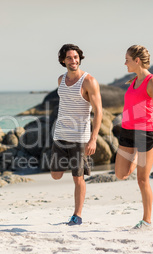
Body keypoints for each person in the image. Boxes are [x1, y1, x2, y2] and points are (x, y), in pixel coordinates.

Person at [115, 45, 153, 229]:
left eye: (127, 59)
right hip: (127, 131)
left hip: (145, 134)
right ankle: (136, 158)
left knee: (142, 179)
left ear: (137, 60)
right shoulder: (133, 81)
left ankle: (147, 220)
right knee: (120, 174)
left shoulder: (151, 81)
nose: (125, 62)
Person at [50, 44, 103, 225]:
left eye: (76, 57)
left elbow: (99, 111)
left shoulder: (89, 81)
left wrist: (93, 139)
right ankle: (72, 165)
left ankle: (77, 215)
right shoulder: (61, 79)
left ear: (79, 58)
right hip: (60, 135)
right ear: (63, 60)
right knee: (55, 174)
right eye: (69, 58)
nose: (73, 60)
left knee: (77, 178)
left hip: (80, 137)